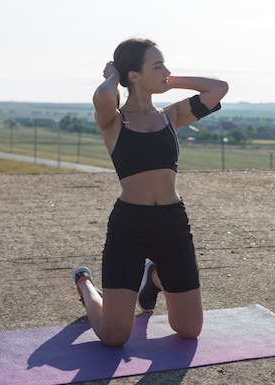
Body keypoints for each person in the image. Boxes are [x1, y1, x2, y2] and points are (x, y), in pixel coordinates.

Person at [72, 38, 228, 347]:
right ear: (134, 76)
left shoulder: (171, 117)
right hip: (129, 225)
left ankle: (154, 277)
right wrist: (113, 75)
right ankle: (86, 286)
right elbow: (104, 95)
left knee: (188, 329)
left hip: (172, 223)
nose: (166, 71)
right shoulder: (114, 122)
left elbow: (218, 88)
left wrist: (168, 81)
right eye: (157, 66)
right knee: (114, 336)